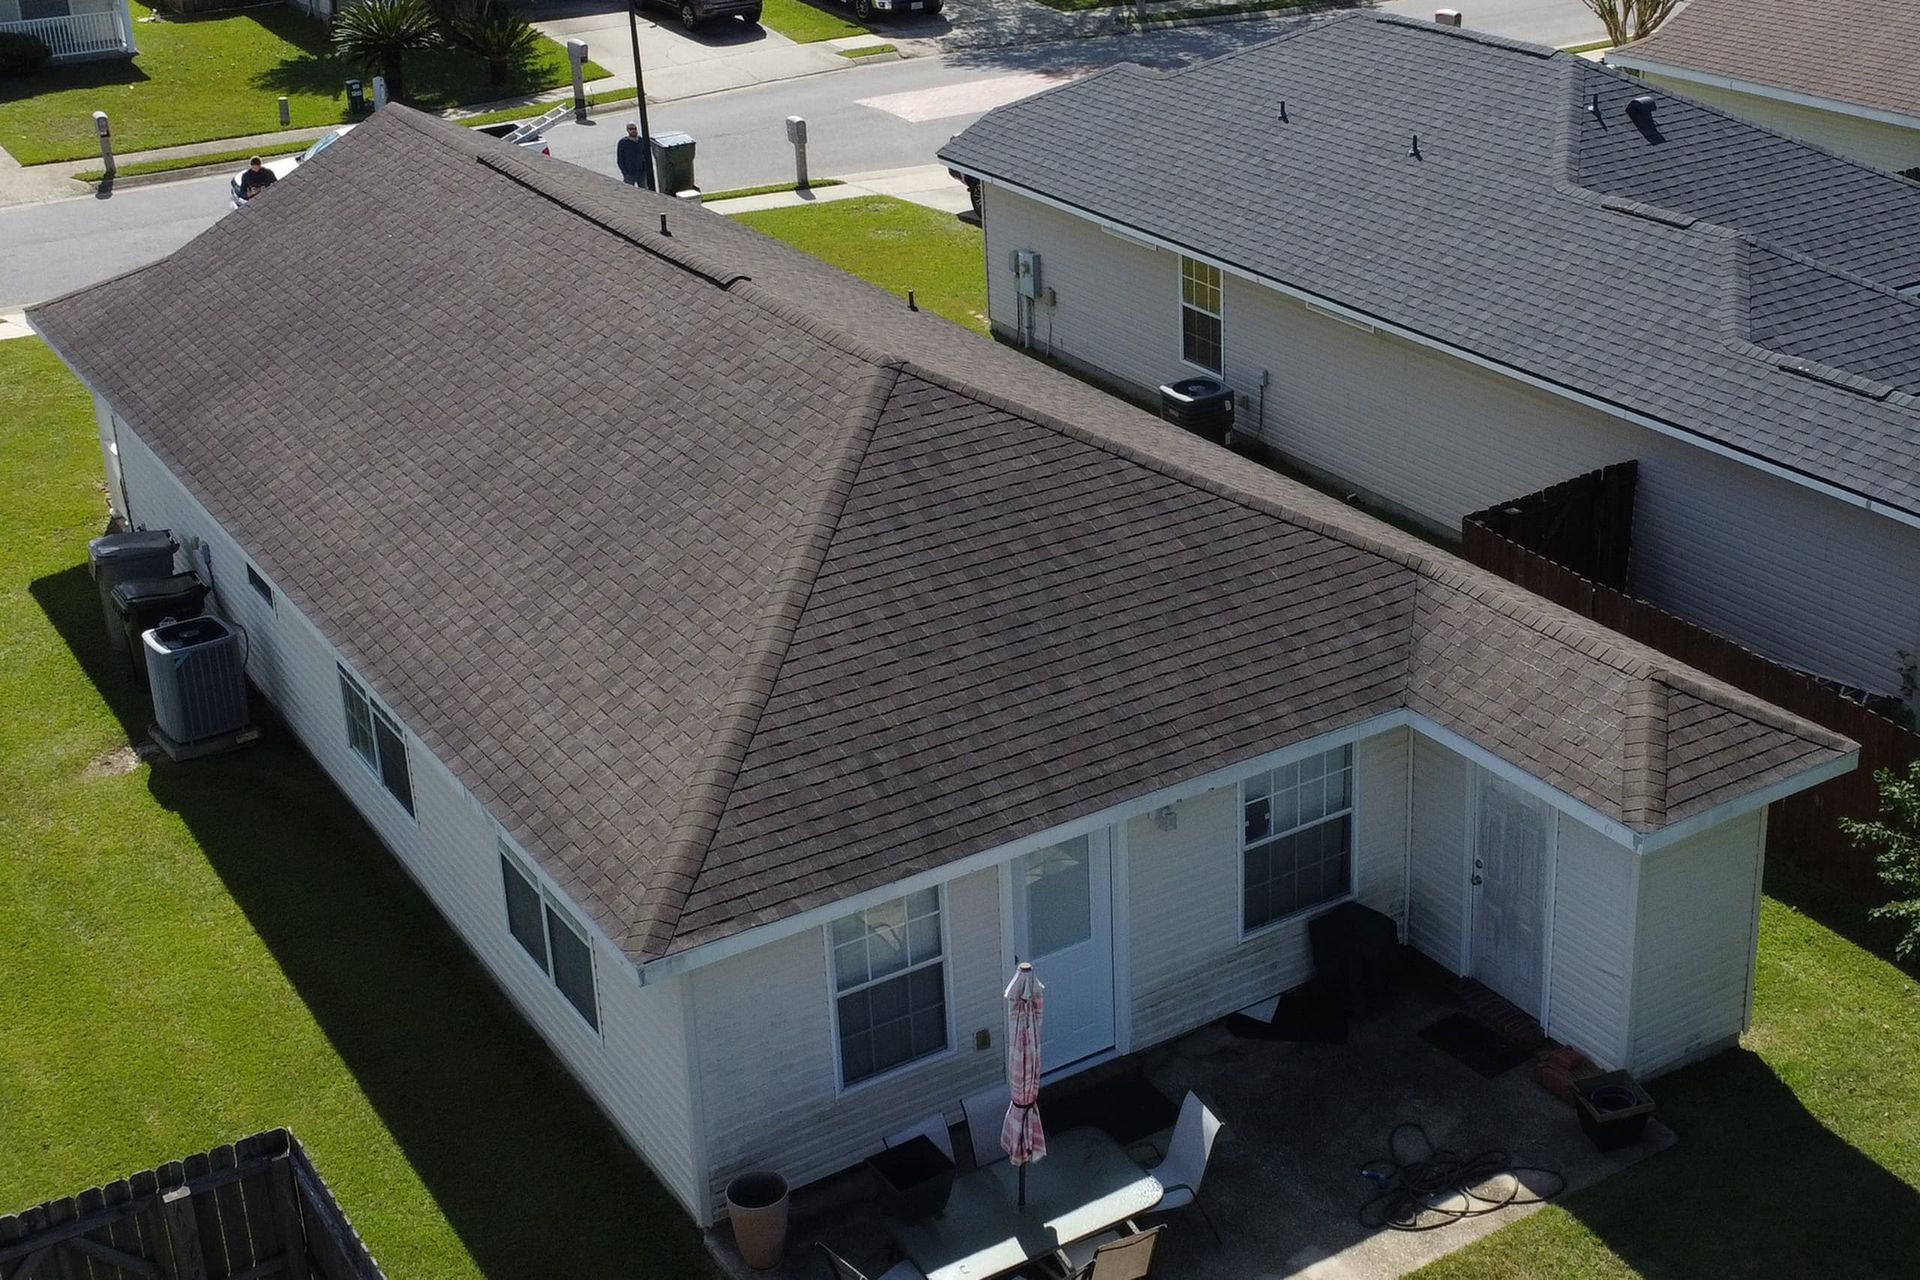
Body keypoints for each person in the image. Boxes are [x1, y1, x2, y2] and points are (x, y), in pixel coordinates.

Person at [615, 122, 649, 189]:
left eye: (635, 128)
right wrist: (625, 172)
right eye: (631, 129)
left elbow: (646, 155)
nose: (633, 130)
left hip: (641, 173)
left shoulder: (641, 141)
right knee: (629, 191)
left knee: (645, 191)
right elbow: (620, 159)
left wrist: (645, 169)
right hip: (629, 174)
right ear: (627, 130)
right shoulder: (623, 143)